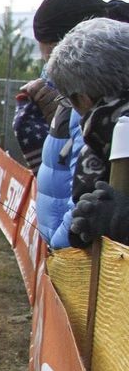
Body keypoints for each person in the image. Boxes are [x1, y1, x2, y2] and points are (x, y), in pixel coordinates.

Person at [14, 0, 129, 246]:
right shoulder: (95, 111)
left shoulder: (103, 118)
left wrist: (60, 249)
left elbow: (83, 203)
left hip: (79, 263)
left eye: (50, 56)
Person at [45, 16, 129, 248]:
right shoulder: (102, 140)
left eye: (68, 99)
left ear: (83, 98)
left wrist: (121, 222)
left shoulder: (101, 137)